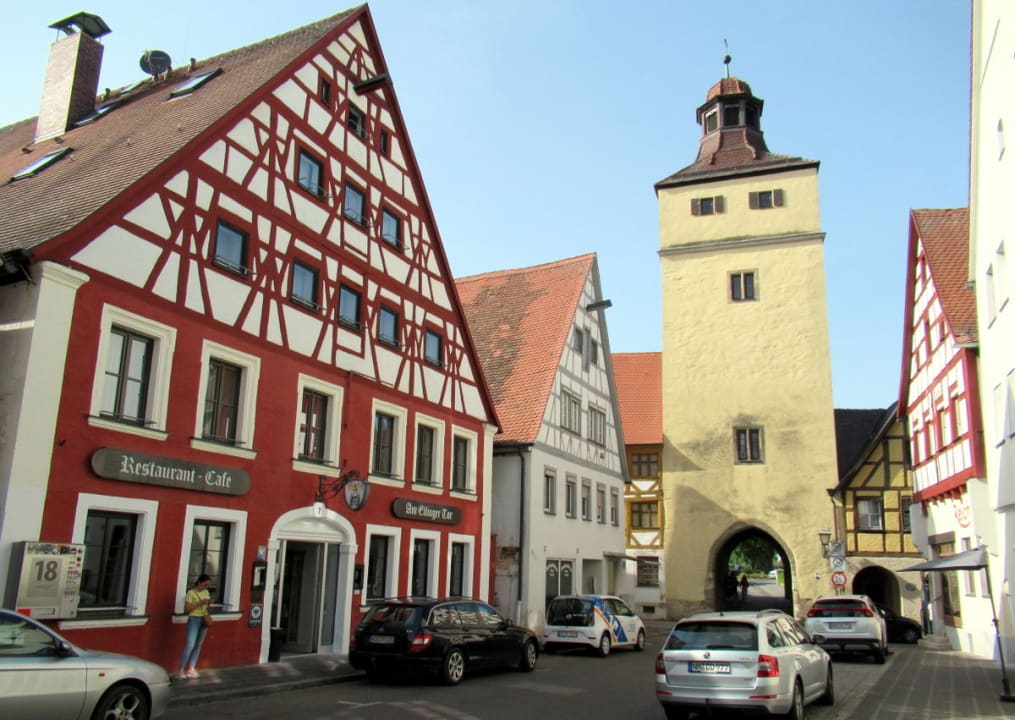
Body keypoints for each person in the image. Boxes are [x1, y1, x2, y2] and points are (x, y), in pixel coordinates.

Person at [178, 574, 213, 679]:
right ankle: (181, 669)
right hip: (194, 619)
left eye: (207, 585)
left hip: (203, 618)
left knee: (198, 644)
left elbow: (206, 606)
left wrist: (209, 603)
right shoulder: (191, 593)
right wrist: (200, 603)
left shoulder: (206, 592)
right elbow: (187, 609)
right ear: (199, 582)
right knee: (190, 644)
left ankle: (191, 668)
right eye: (204, 584)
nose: (206, 587)